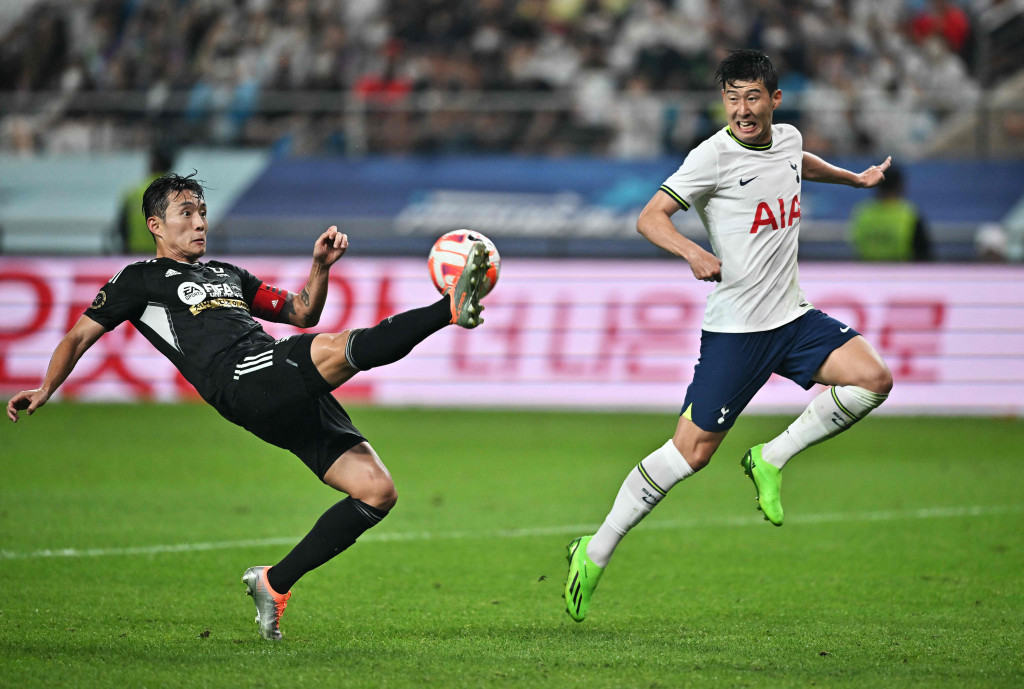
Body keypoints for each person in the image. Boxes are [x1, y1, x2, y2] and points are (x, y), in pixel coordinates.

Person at [7, 172, 492, 641]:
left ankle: (274, 583)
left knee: (376, 491)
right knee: (340, 348)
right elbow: (78, 335)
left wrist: (320, 268)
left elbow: (302, 312)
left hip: (276, 378)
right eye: (185, 214)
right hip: (238, 380)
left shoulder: (227, 274)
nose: (199, 223)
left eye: (201, 212)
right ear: (156, 225)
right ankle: (448, 309)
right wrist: (47, 387)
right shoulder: (140, 280)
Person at [563, 50, 894, 622]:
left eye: (753, 97)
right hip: (736, 331)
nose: (742, 109)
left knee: (873, 379)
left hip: (792, 318)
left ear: (774, 99)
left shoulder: (786, 138)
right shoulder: (711, 156)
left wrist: (853, 179)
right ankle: (592, 553)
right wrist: (693, 251)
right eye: (732, 98)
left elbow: (798, 164)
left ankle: (771, 456)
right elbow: (649, 217)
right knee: (690, 454)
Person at [849, 164, 932, 261]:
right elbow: (923, 253)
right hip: (901, 272)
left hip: (867, 271)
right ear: (900, 186)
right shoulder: (909, 214)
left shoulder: (863, 212)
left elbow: (856, 244)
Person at [116, 146, 175, 254]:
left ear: (151, 163)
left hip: (135, 255)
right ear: (170, 166)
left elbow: (122, 227)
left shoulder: (133, 192)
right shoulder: (176, 195)